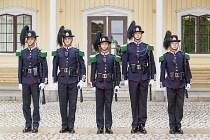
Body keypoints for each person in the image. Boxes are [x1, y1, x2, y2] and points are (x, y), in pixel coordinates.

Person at [121, 21, 156, 133]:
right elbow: (124, 62)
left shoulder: (147, 47)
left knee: (143, 101)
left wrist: (152, 76)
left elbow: (152, 62)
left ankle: (142, 124)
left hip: (144, 76)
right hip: (132, 76)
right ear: (133, 35)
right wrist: (125, 77)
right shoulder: (128, 47)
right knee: (134, 101)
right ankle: (134, 124)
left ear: (141, 34)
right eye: (136, 33)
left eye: (139, 33)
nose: (137, 34)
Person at [52, 26, 86, 133]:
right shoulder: (58, 52)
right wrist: (54, 80)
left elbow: (82, 65)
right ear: (63, 40)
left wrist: (82, 79)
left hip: (73, 80)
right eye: (65, 39)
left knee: (72, 104)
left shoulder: (76, 51)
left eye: (69, 38)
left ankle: (71, 126)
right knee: (62, 104)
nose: (67, 40)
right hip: (62, 80)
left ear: (72, 40)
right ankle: (64, 125)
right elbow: (54, 66)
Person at [16, 25, 48, 133]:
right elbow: (20, 67)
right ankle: (28, 124)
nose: (30, 41)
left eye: (32, 39)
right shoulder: (23, 52)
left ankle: (35, 124)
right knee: (25, 104)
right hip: (25, 80)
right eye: (28, 39)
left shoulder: (39, 52)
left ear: (35, 40)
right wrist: (20, 81)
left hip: (35, 81)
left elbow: (45, 67)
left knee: (36, 104)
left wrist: (43, 81)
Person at [159, 30, 192, 134]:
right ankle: (172, 126)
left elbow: (187, 69)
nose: (175, 45)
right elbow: (162, 70)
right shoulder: (165, 56)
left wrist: (188, 81)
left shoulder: (183, 55)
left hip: (181, 83)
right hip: (170, 83)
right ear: (170, 44)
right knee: (171, 105)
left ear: (178, 44)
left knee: (179, 105)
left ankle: (178, 125)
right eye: (173, 43)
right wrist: (162, 82)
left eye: (176, 43)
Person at [90, 31, 121, 134]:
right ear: (100, 45)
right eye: (102, 44)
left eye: (106, 44)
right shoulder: (96, 57)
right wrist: (93, 83)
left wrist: (117, 84)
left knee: (108, 106)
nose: (104, 45)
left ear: (108, 45)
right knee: (99, 107)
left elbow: (117, 71)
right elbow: (93, 70)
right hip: (99, 84)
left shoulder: (113, 57)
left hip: (109, 85)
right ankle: (100, 126)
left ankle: (108, 126)